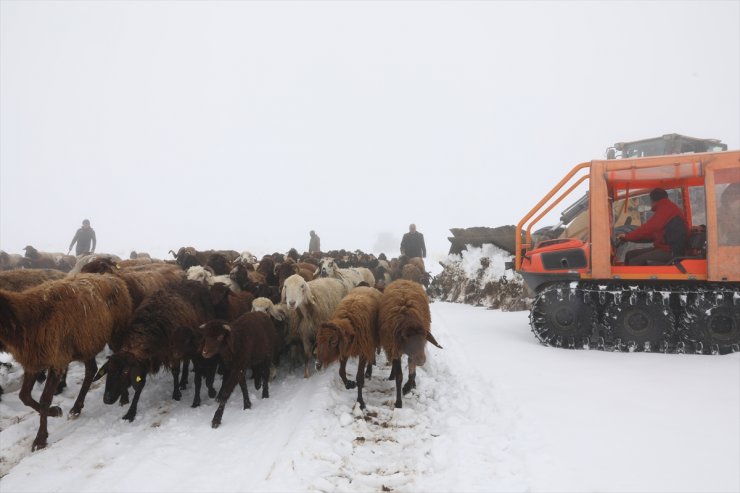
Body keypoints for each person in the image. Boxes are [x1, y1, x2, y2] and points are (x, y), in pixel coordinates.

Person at [617, 188, 688, 265]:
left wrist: (627, 236)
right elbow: (652, 234)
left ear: (652, 200)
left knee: (635, 262)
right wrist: (629, 238)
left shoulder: (665, 209)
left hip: (671, 251)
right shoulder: (668, 208)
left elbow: (648, 229)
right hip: (667, 248)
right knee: (630, 255)